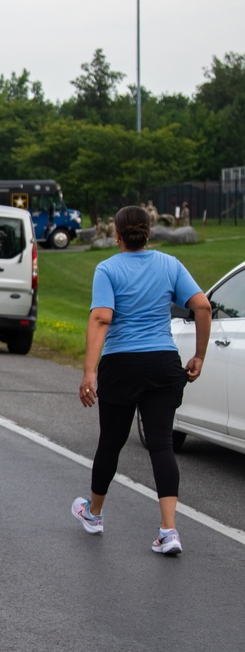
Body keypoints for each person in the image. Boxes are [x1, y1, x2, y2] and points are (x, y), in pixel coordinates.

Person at [74, 205, 211, 556]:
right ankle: (168, 531)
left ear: (117, 235)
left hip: (121, 366)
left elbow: (102, 319)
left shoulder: (107, 269)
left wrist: (89, 371)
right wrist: (199, 355)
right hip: (164, 363)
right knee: (162, 443)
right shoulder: (170, 265)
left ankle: (94, 514)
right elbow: (203, 307)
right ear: (149, 232)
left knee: (112, 441)